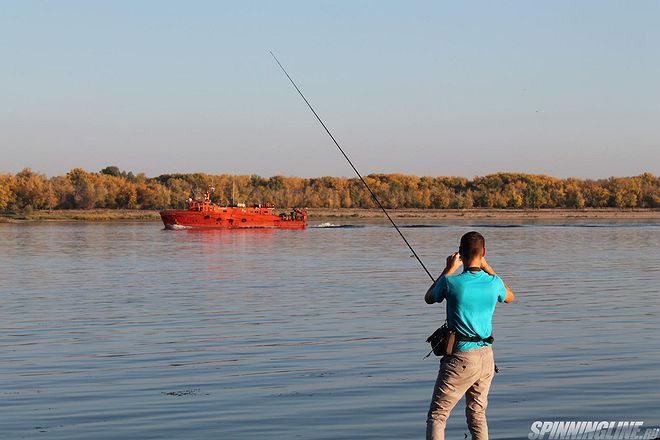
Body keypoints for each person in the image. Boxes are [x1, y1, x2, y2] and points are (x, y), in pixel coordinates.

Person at [424, 231, 515, 440]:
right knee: (477, 414)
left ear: (460, 254)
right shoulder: (494, 282)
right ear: (483, 252)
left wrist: (448, 269)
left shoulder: (451, 282)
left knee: (438, 416)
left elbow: (429, 297)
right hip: (487, 358)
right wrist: (487, 266)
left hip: (461, 358)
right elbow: (510, 296)